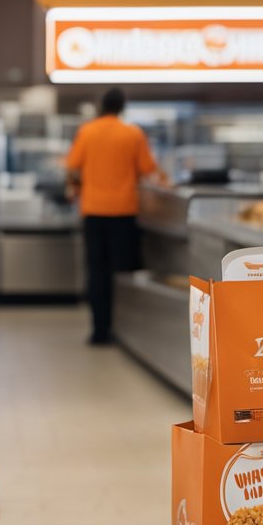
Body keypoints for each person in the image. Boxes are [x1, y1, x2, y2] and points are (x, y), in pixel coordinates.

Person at [65, 88, 165, 345]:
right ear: (122, 107)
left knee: (97, 272)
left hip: (94, 212)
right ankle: (124, 330)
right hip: (124, 212)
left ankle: (99, 331)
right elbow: (148, 170)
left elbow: (73, 168)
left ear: (101, 106)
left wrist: (75, 189)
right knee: (122, 271)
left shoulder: (87, 131)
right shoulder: (132, 133)